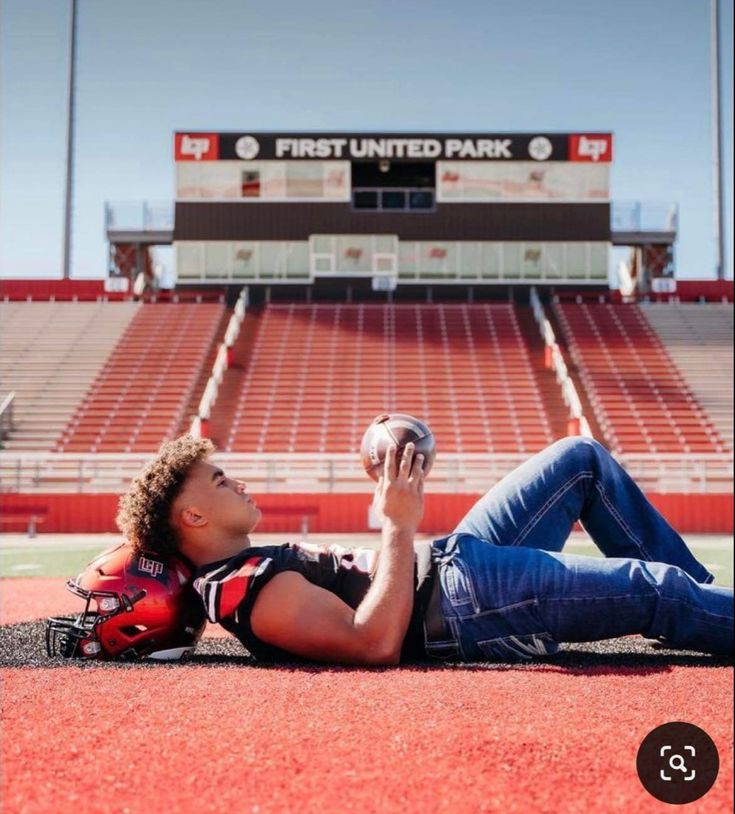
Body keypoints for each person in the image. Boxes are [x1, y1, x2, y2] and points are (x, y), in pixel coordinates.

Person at [115, 434, 734, 665]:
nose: (239, 482)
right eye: (221, 482)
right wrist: (397, 524)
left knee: (579, 461)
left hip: (453, 563)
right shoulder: (242, 590)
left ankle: (710, 603)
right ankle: (702, 607)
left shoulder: (241, 567)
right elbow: (373, 642)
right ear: (192, 516)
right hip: (459, 599)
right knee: (653, 589)